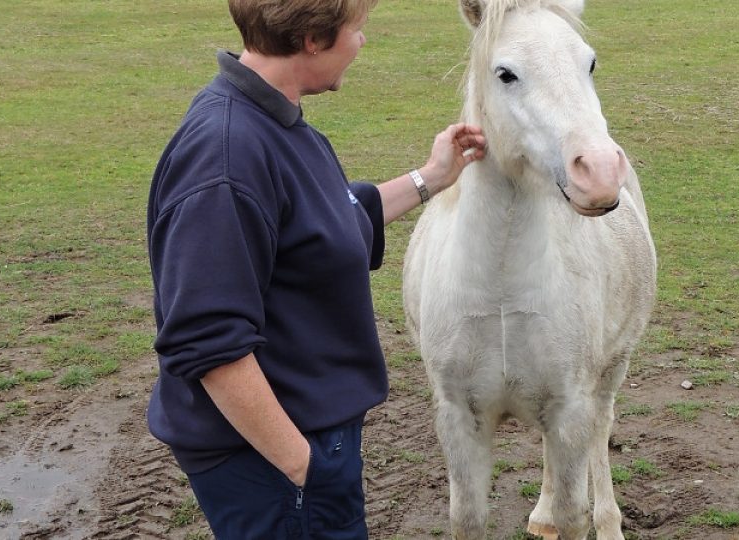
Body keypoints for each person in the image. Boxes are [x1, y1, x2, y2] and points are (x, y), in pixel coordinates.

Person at [145, 0, 486, 538]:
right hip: (270, 460)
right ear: (312, 38)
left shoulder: (270, 118)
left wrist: (431, 177)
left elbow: (326, 222)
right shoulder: (227, 154)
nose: (362, 43)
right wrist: (299, 465)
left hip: (299, 444)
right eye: (357, 29)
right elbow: (208, 341)